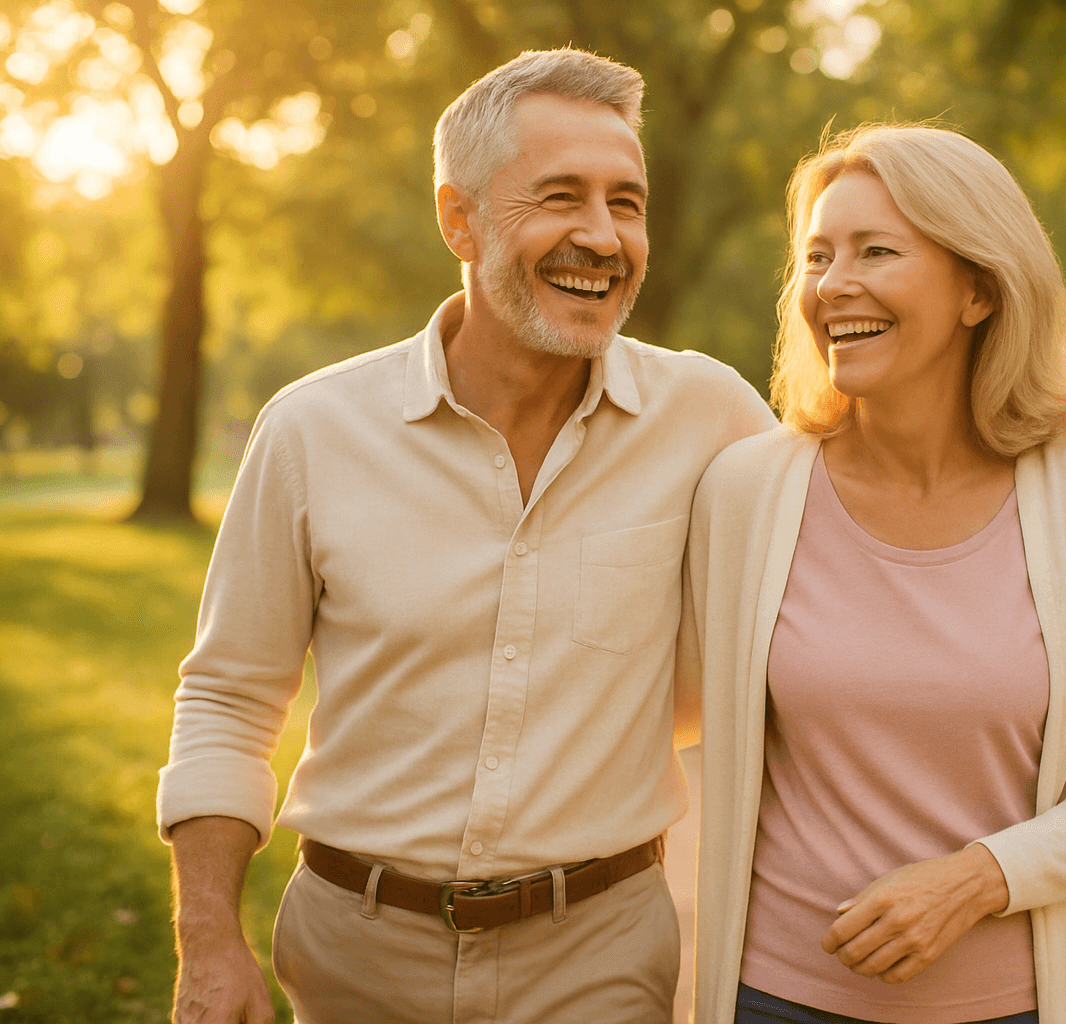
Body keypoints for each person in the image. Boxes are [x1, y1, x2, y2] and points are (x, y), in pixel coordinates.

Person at [157, 49, 776, 1024]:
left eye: (628, 201)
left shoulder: (710, 415)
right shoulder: (315, 429)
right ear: (459, 217)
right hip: (356, 951)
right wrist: (209, 941)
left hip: (601, 950)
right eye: (561, 197)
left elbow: (844, 569)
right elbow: (231, 695)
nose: (603, 236)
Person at [686, 124, 1066, 1024]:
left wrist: (975, 881)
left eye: (876, 251)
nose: (833, 285)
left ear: (978, 289)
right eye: (816, 255)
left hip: (1028, 1004)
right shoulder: (745, 492)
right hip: (778, 998)